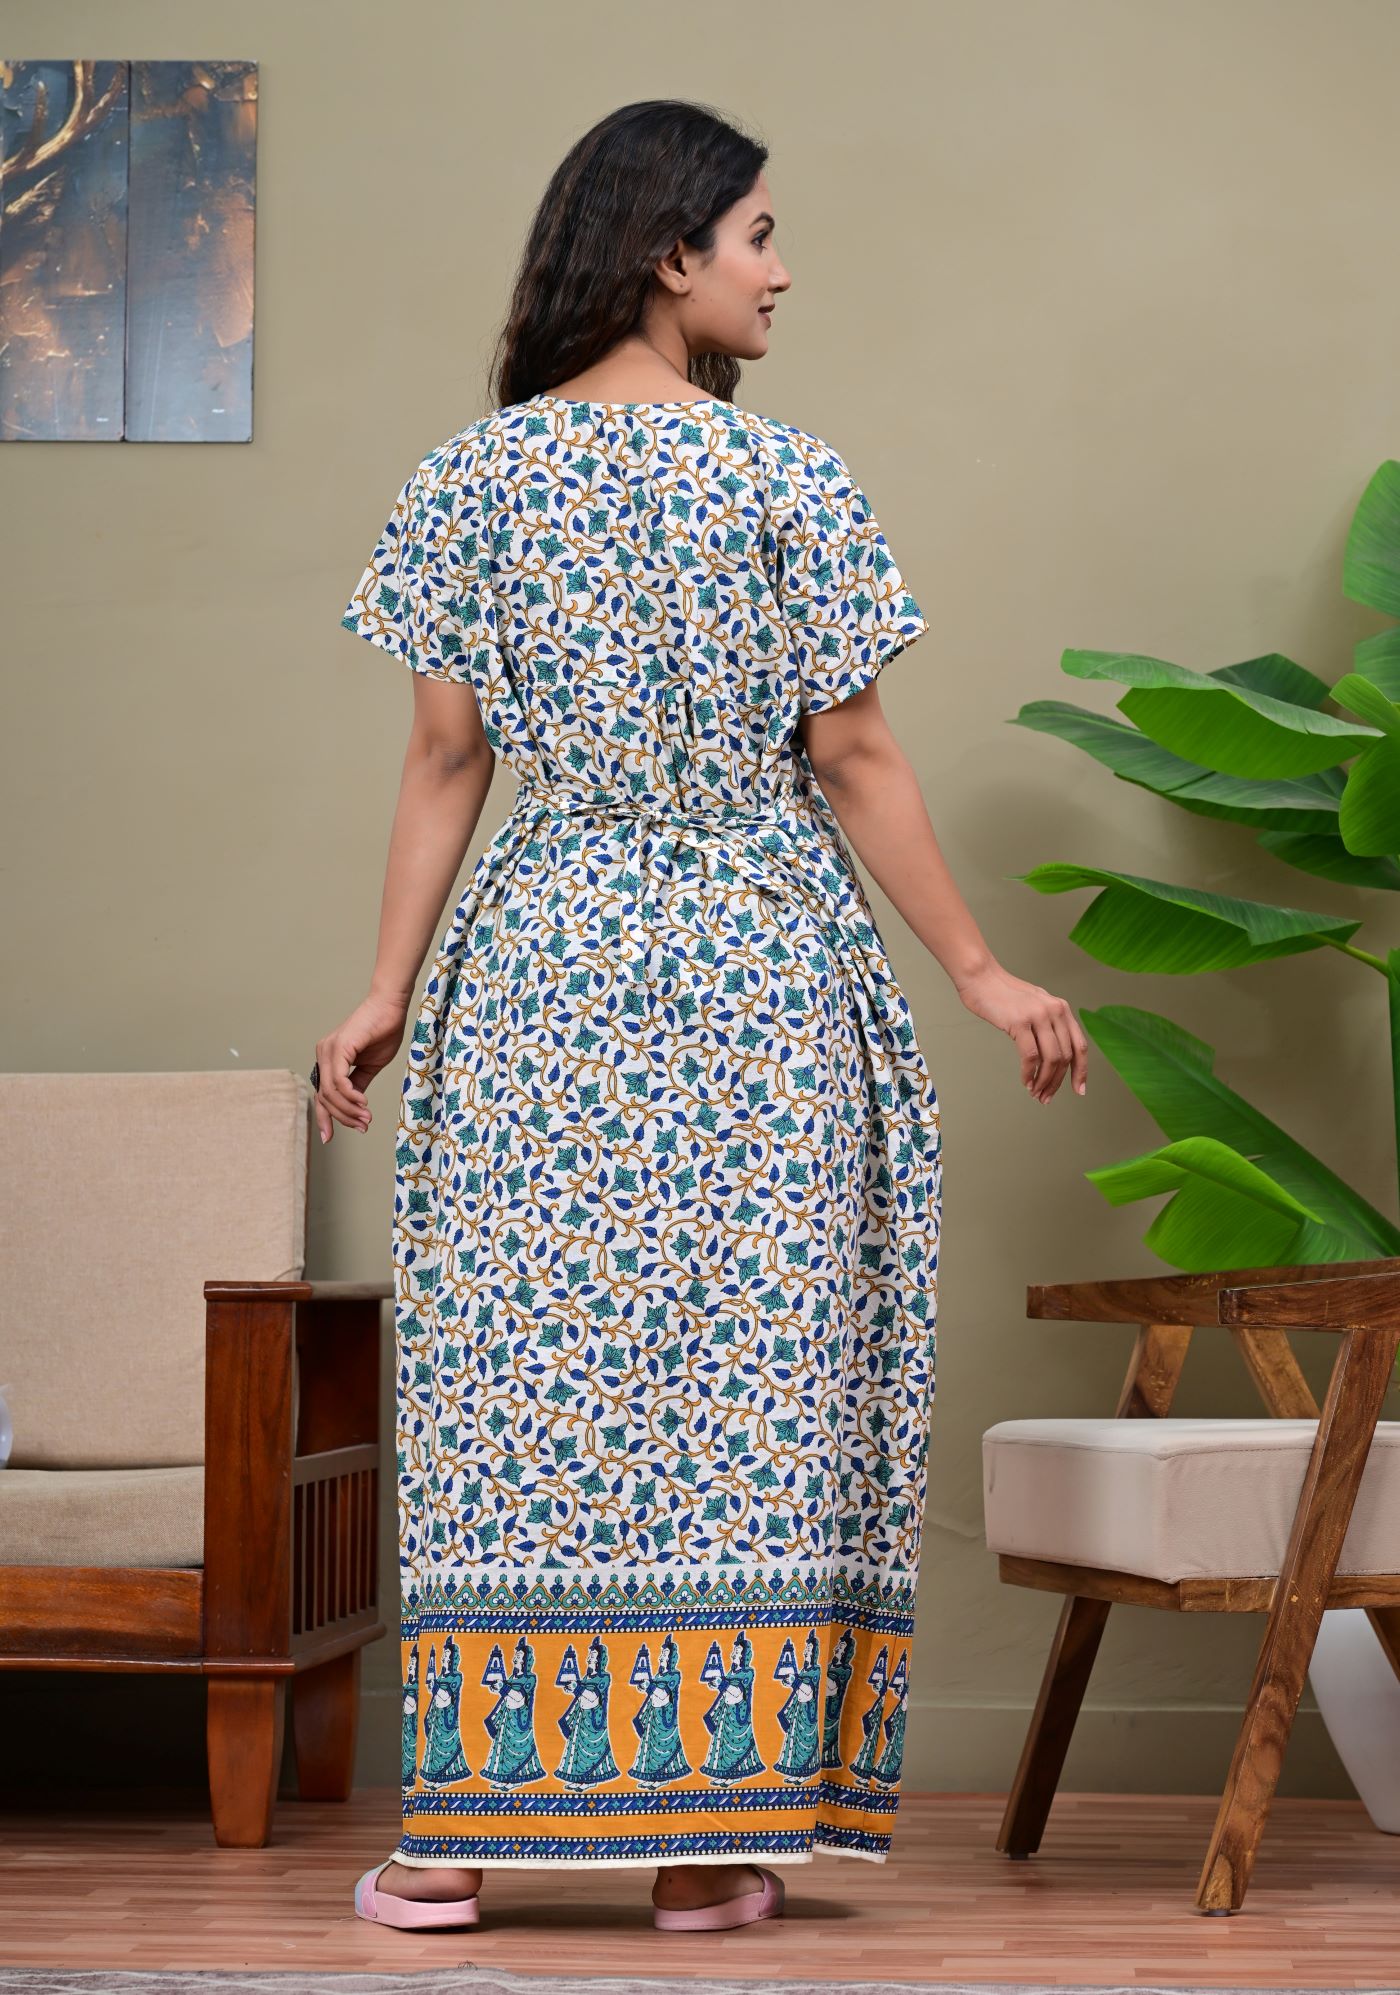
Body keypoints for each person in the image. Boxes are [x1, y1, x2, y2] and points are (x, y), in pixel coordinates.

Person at [320, 98, 1088, 1936]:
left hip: (548, 963)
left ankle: (453, 1842)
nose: (782, 270)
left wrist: (387, 988)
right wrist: (979, 971)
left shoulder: (470, 478)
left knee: (520, 1377)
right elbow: (853, 756)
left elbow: (447, 761)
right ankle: (704, 1847)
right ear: (670, 254)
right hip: (759, 965)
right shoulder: (786, 480)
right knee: (750, 1382)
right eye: (757, 235)